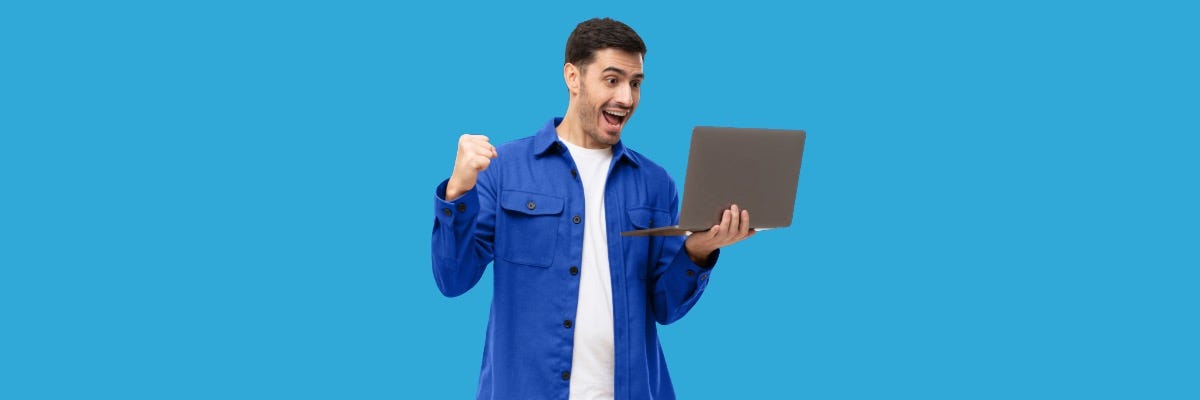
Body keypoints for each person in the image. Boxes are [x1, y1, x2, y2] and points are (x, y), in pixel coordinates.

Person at [431, 18, 755, 400]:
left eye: (635, 83)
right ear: (573, 77)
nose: (627, 98)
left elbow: (665, 308)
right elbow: (452, 279)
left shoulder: (655, 183)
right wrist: (458, 190)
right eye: (612, 79)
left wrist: (699, 251)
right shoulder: (504, 169)